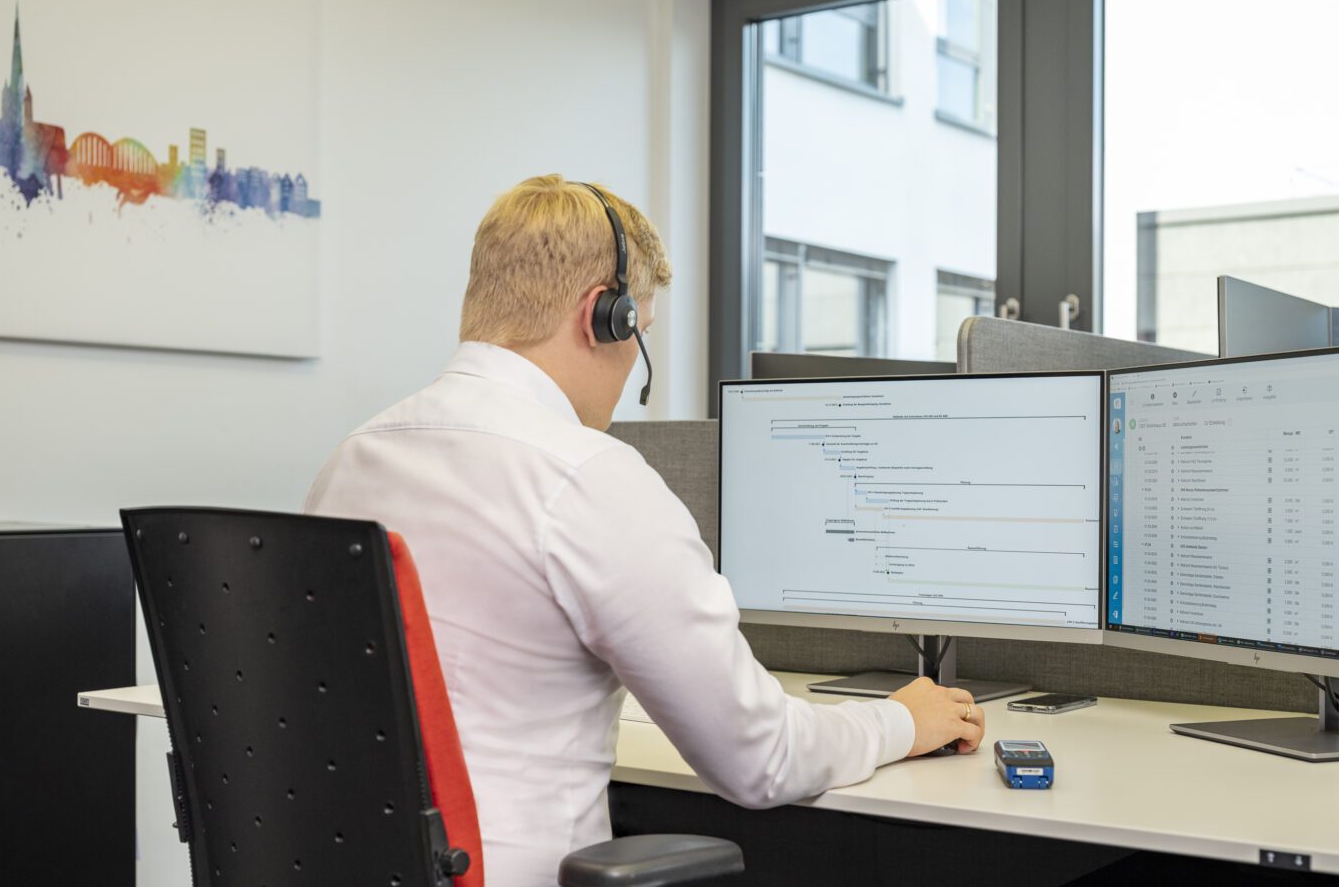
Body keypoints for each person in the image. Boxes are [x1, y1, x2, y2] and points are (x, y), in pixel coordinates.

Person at [305, 175, 985, 887]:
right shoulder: (587, 476)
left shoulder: (352, 458)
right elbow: (759, 757)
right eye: (642, 332)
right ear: (604, 315)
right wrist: (900, 721)